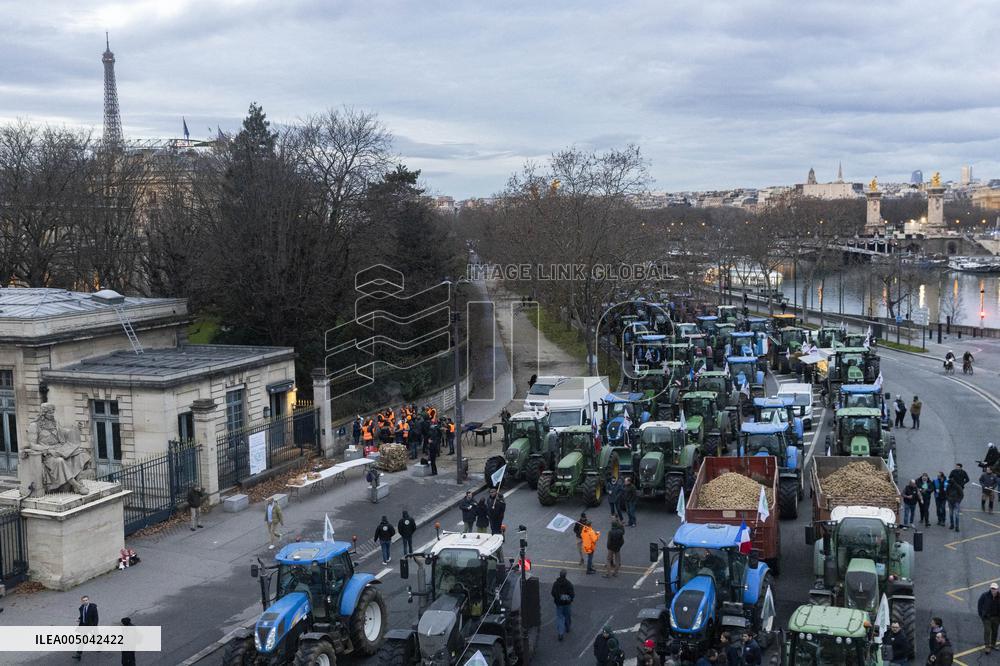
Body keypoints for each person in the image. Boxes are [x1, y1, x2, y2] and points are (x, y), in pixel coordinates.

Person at [551, 569, 575, 641]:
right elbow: (572, 594)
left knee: (560, 618)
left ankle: (560, 633)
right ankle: (567, 628)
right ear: (565, 575)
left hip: (559, 604)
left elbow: (553, 593)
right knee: (567, 616)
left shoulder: (556, 584)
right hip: (567, 604)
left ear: (560, 575)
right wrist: (569, 599)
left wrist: (557, 598)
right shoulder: (569, 584)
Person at [73, 595, 99, 660]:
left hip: (91, 626)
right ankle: (78, 654)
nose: (85, 601)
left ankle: (99, 646)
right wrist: (79, 619)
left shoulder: (93, 607)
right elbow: (82, 615)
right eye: (84, 600)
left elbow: (96, 618)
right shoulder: (81, 607)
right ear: (82, 601)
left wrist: (94, 627)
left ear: (88, 600)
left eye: (86, 600)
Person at [979, 582, 1000, 654]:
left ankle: (993, 645)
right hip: (987, 617)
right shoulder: (984, 596)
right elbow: (980, 605)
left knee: (995, 631)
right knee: (987, 631)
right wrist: (981, 615)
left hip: (996, 617)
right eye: (992, 588)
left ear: (997, 589)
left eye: (994, 589)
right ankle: (987, 647)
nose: (993, 590)